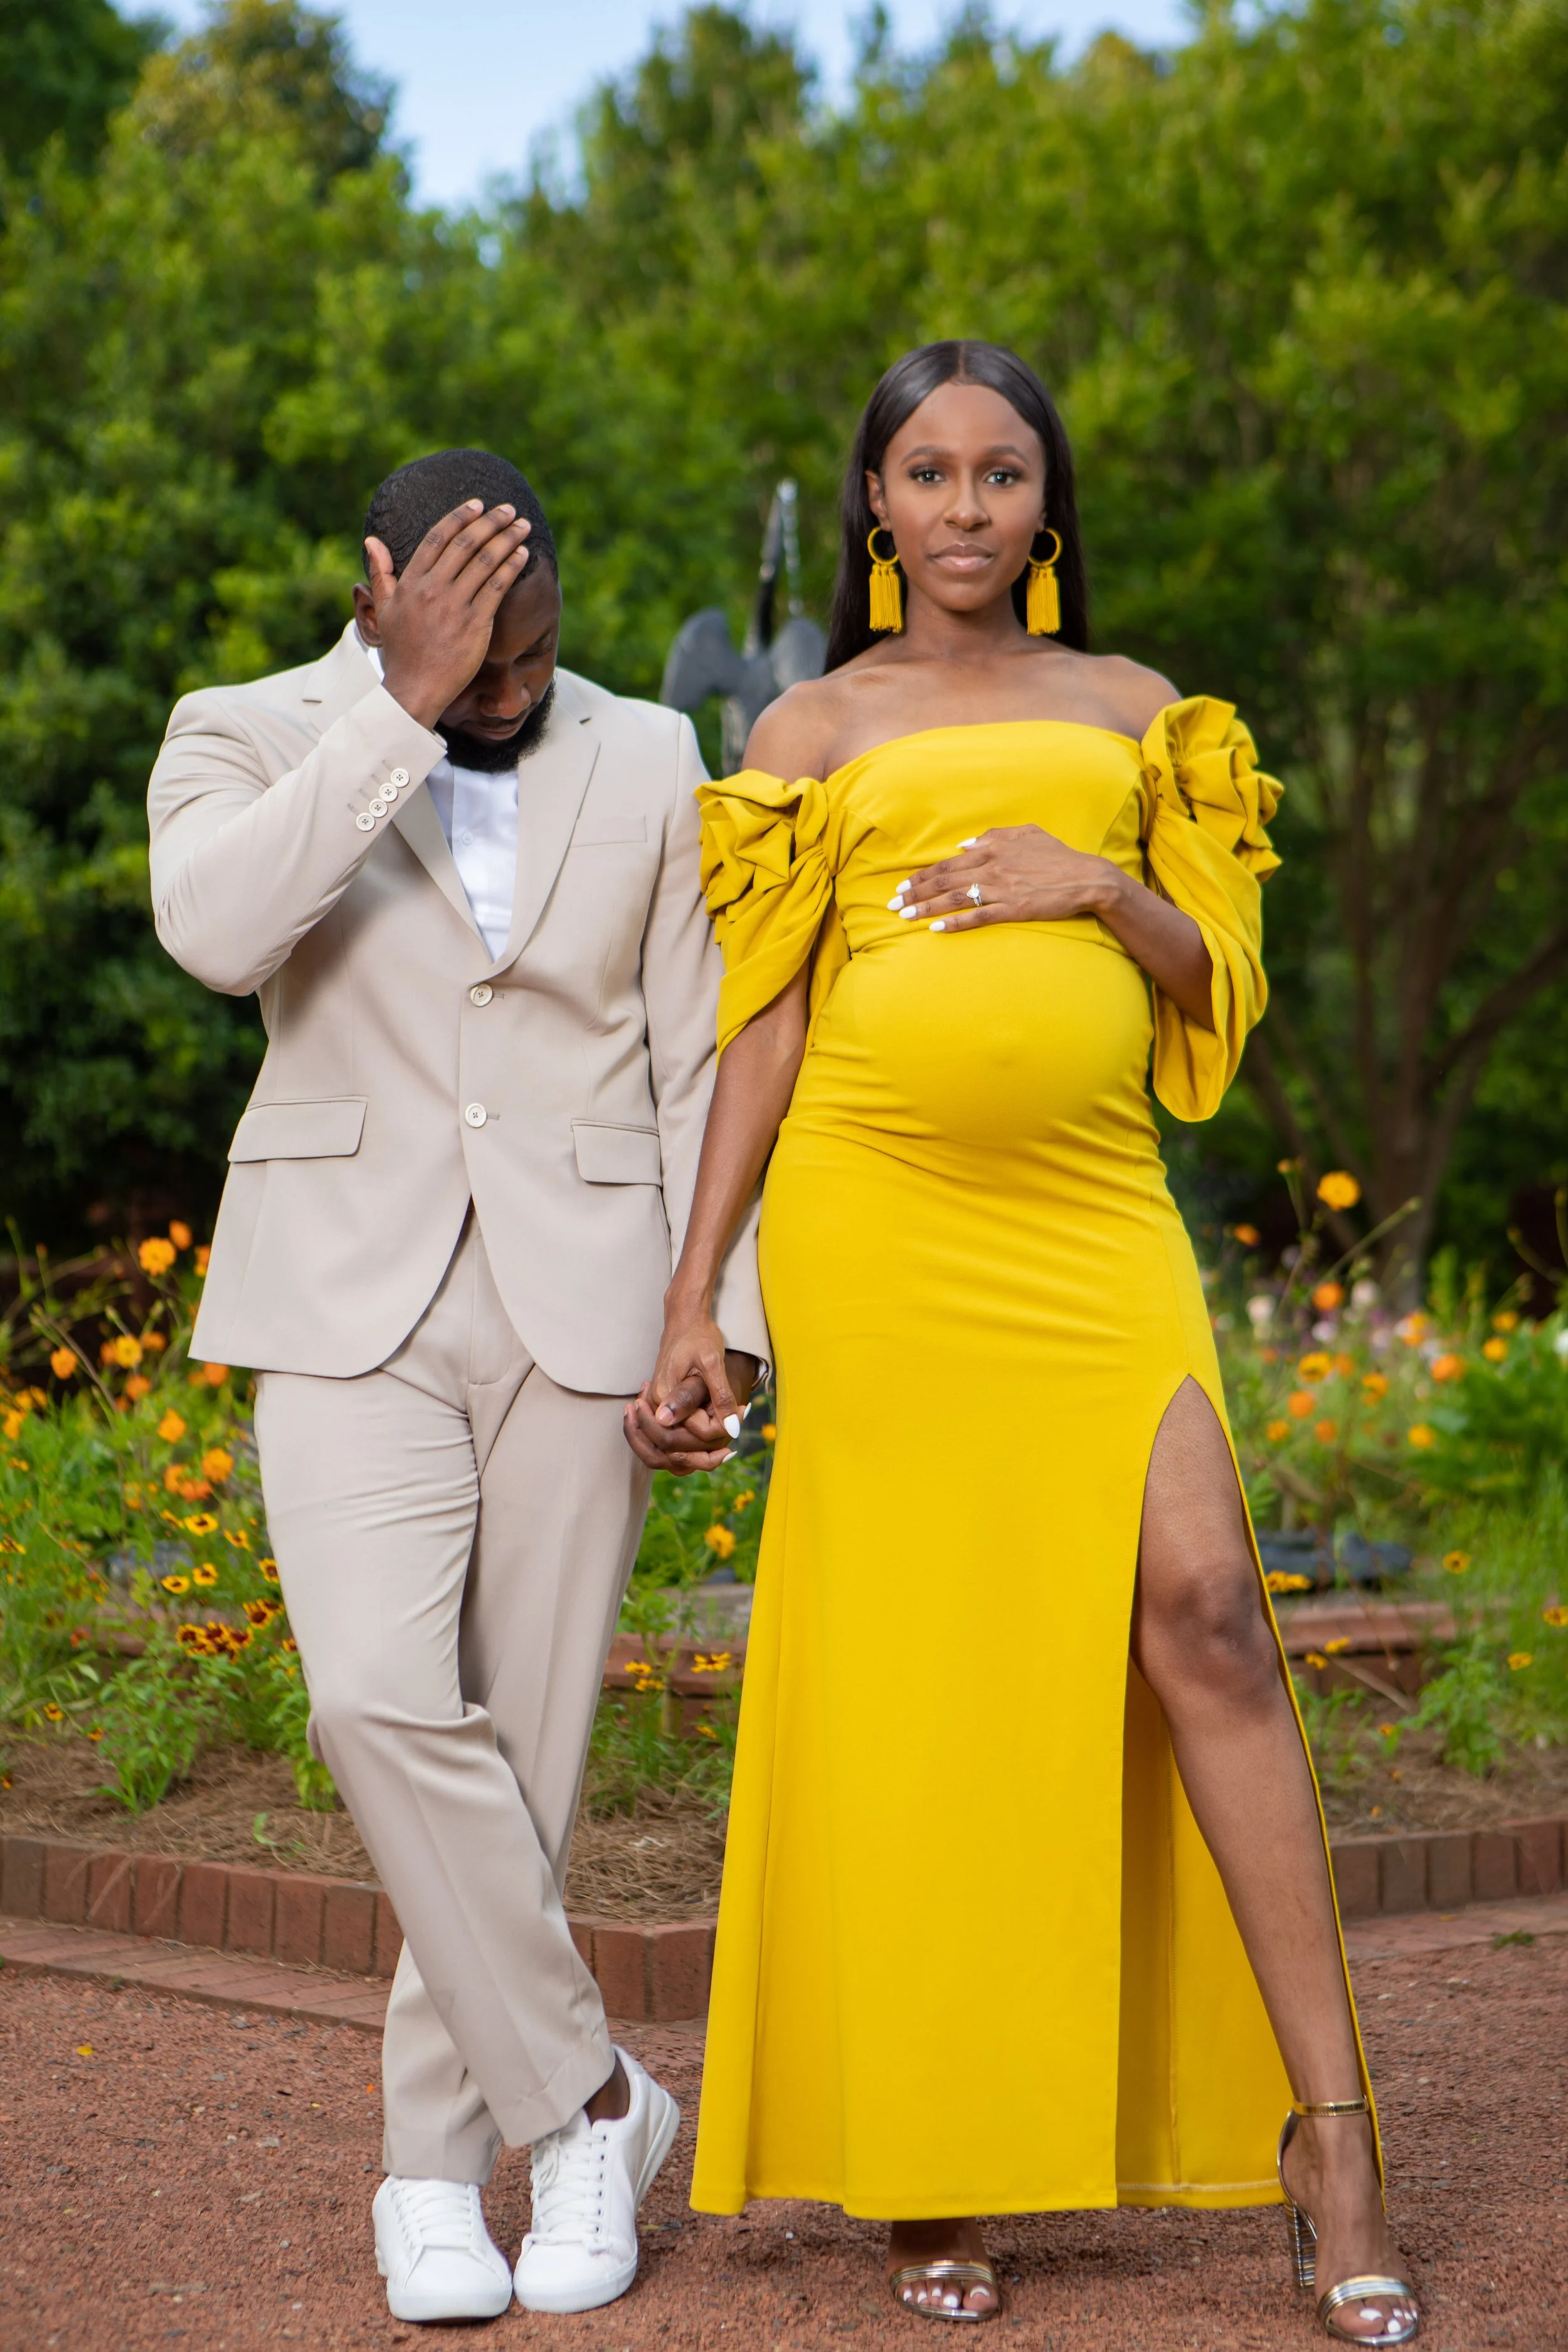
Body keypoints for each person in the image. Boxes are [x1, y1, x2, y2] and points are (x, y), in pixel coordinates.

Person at [627, 345, 1421, 2344]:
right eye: (924, 472)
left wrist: (1098, 885)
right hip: (875, 1226)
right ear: (874, 505)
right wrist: (693, 1297)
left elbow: (1213, 978)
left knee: (1209, 1613)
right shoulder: (809, 723)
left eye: (1000, 472)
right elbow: (766, 1027)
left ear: (1043, 504)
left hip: (1088, 1224)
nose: (964, 505)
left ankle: (1329, 2132)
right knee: (924, 1688)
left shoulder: (1138, 711)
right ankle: (936, 2154)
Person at [147, 448, 765, 2324]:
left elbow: (698, 1048)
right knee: (374, 1701)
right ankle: (591, 2097)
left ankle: (432, 2173)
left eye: (526, 659)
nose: (511, 695)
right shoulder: (243, 729)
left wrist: (713, 1312)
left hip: (587, 1299)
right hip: (344, 1285)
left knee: (530, 1756)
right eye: (473, 657)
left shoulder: (654, 752)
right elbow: (216, 931)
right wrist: (400, 709)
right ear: (381, 584)